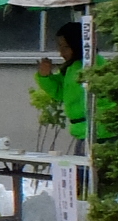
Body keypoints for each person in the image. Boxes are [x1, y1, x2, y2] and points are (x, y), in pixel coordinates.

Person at [33, 22, 92, 150]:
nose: (61, 53)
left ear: (77, 44)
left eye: (65, 47)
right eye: (59, 47)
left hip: (97, 133)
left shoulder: (90, 66)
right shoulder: (72, 68)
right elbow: (61, 92)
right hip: (85, 131)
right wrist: (45, 76)